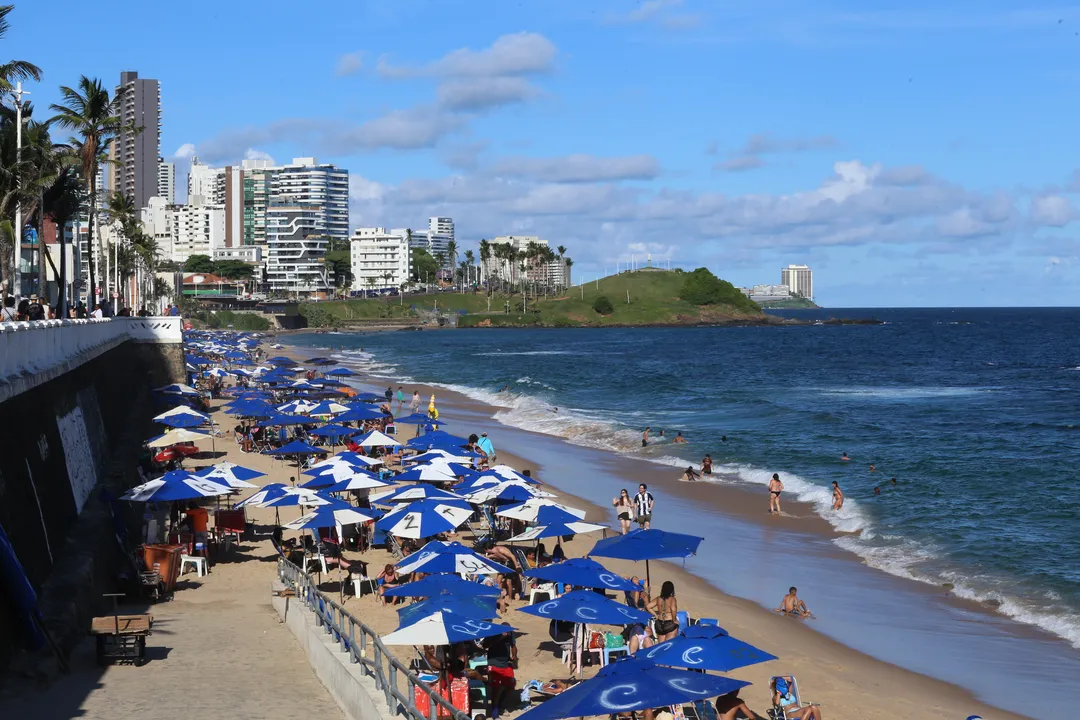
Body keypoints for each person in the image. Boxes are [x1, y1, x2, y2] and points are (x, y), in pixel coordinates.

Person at [482, 631, 517, 719]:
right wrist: (500, 637)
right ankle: (495, 711)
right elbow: (485, 645)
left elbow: (513, 646)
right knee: (496, 688)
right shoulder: (492, 633)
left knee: (511, 683)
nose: (507, 634)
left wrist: (514, 654)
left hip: (506, 663)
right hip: (494, 663)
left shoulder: (511, 634)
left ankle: (500, 703)